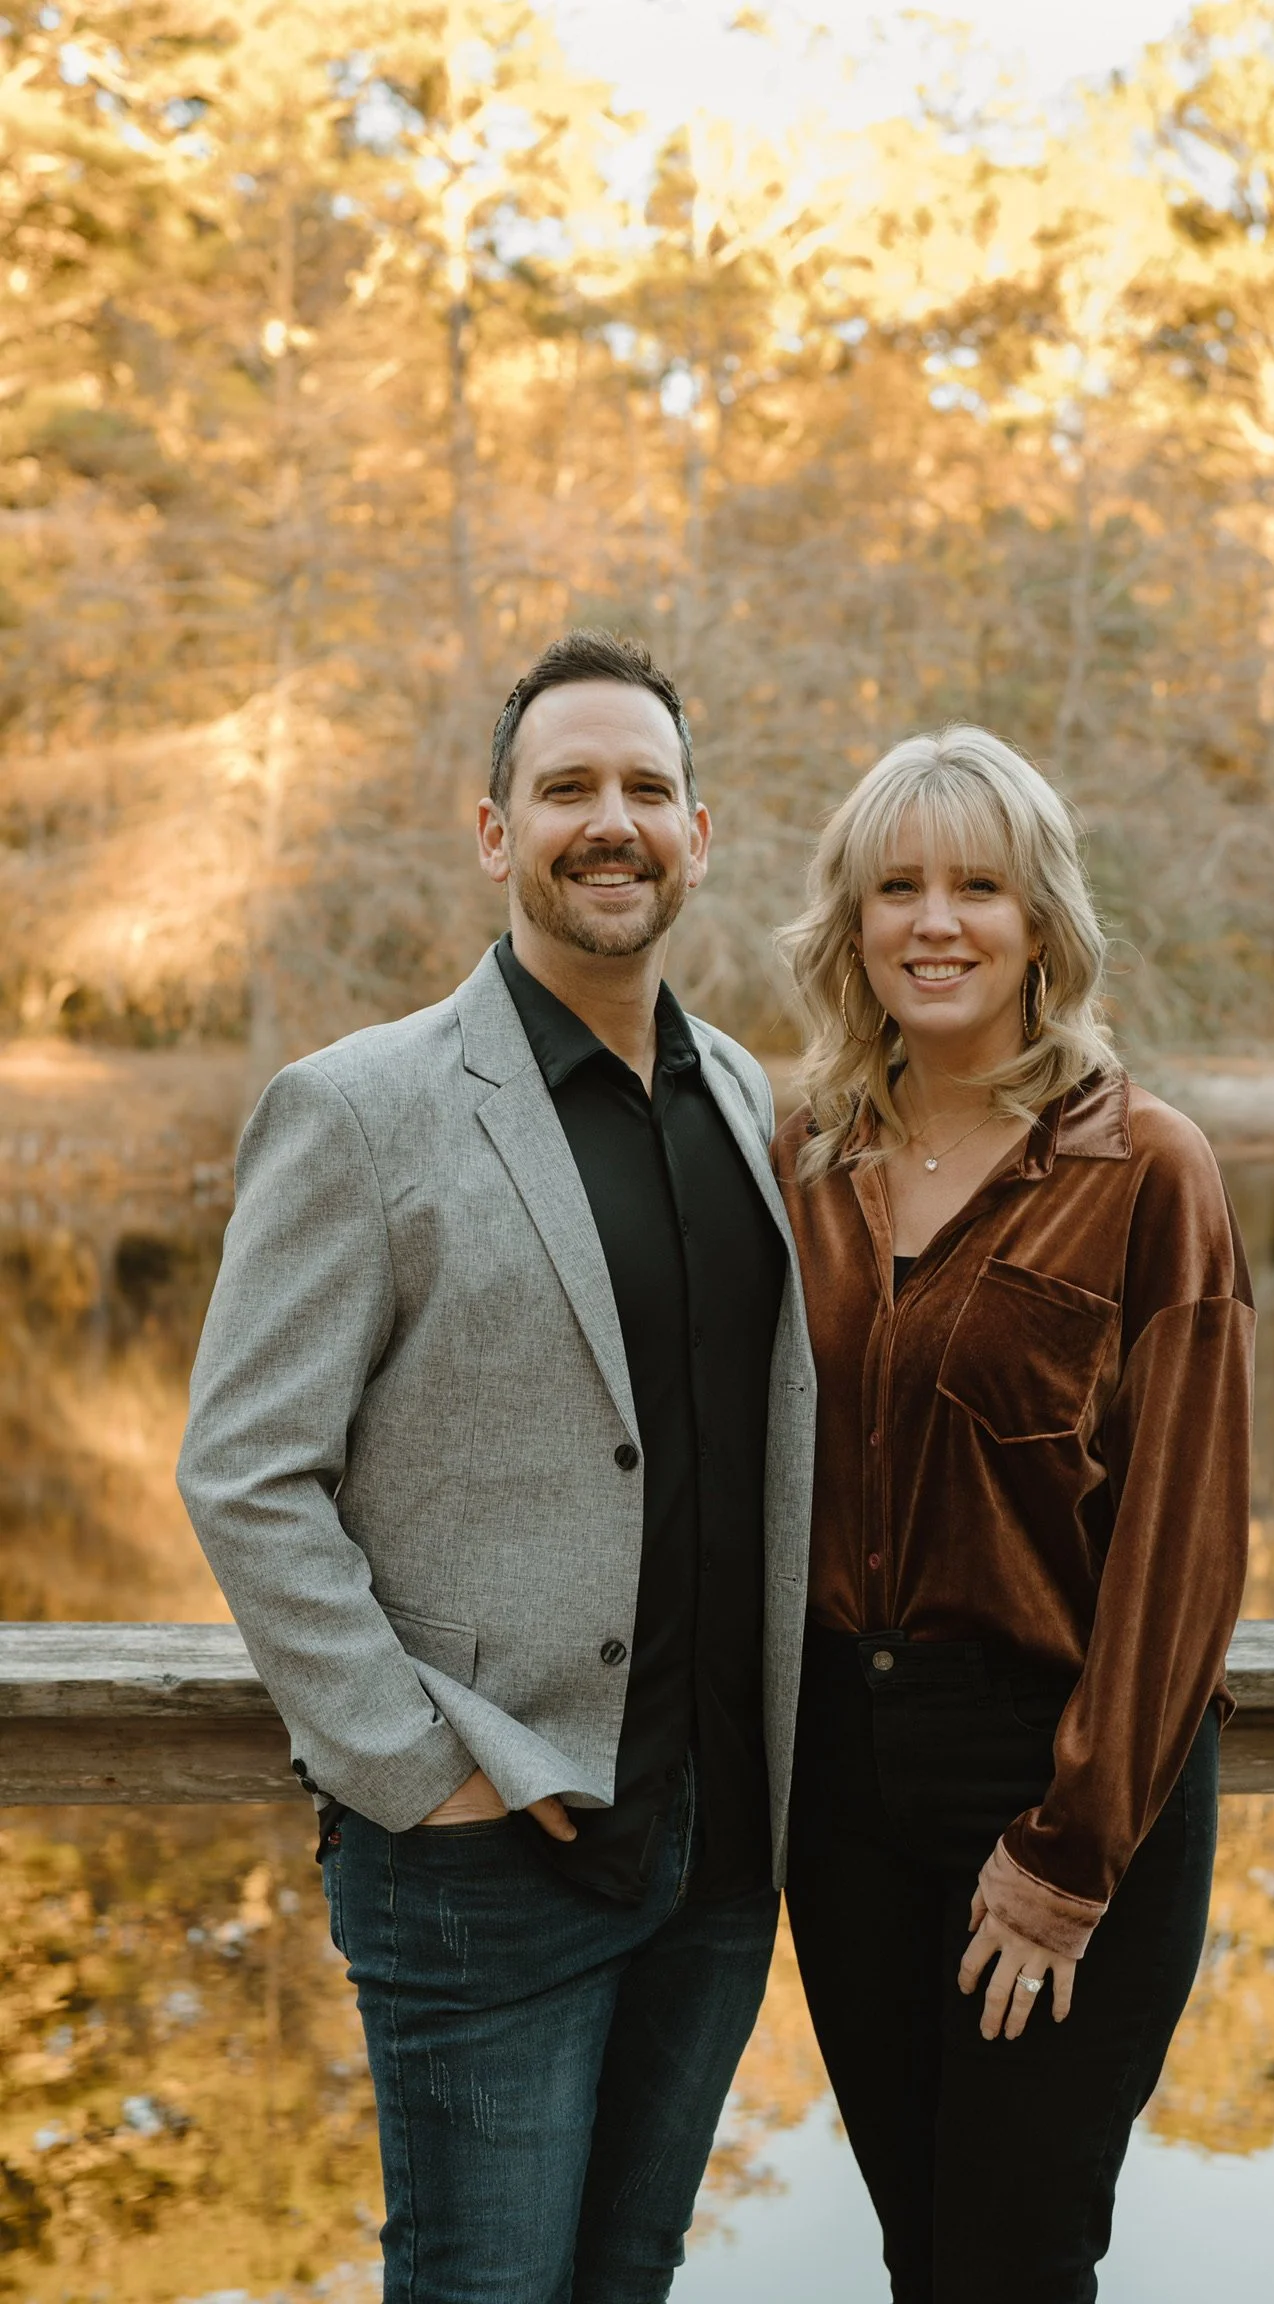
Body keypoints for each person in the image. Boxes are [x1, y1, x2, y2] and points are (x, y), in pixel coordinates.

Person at [176, 629, 815, 2304]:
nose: (611, 822)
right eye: (567, 788)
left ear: (699, 836)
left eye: (647, 790)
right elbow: (245, 1469)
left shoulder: (748, 1099)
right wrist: (414, 1768)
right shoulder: (358, 1110)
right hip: (485, 1857)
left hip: (719, 1855)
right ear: (494, 831)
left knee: (630, 2276)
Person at [771, 724, 1254, 2303]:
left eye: (978, 886)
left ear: (1041, 918)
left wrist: (1069, 1849)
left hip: (1058, 1779)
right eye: (896, 886)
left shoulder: (1147, 1169)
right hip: (844, 1791)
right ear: (851, 922)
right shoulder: (807, 1156)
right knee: (924, 2253)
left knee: (1015, 2264)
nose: (936, 922)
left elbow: (1183, 1554)